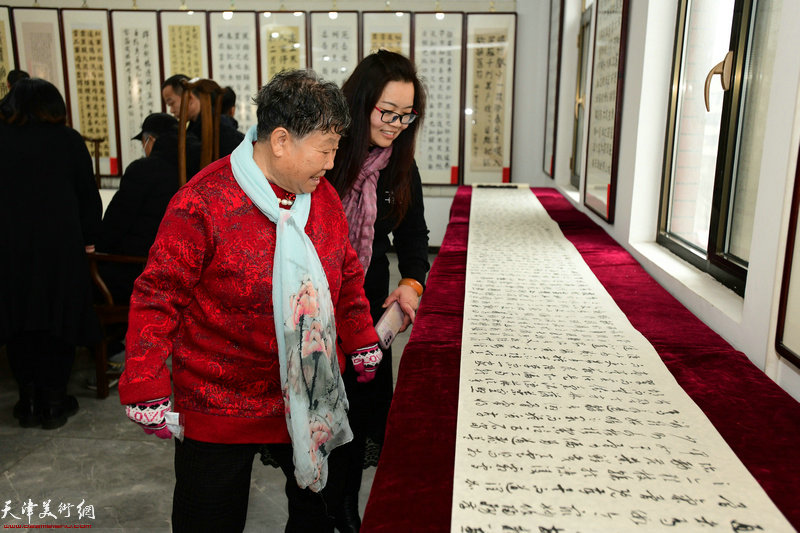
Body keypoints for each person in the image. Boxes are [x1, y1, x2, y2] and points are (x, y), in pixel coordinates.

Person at [118, 69, 383, 532]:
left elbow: (345, 273)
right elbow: (158, 295)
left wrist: (360, 336)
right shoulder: (203, 202)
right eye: (325, 149)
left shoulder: (321, 200)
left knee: (315, 514)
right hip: (220, 400)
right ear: (280, 140)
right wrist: (144, 379)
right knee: (209, 519)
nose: (331, 162)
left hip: (308, 389)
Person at [327, 50, 431, 532]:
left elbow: (413, 242)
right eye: (387, 112)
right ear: (361, 101)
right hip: (311, 307)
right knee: (313, 417)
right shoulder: (323, 156)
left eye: (406, 116)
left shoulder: (400, 167)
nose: (395, 124)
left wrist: (411, 285)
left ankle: (346, 507)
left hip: (368, 314)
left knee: (355, 414)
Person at [0, 78, 102, 429]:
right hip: (59, 250)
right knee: (58, 322)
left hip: (9, 251)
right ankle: (55, 403)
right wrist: (89, 237)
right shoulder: (68, 141)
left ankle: (27, 402)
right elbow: (88, 197)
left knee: (17, 324)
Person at [96, 112, 200, 304]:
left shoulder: (143, 170)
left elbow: (114, 226)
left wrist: (97, 247)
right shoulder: (192, 168)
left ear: (149, 140)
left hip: (138, 271)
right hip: (182, 273)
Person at [161, 74, 244, 157]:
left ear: (190, 98)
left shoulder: (219, 125)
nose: (171, 110)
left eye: (171, 103)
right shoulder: (194, 128)